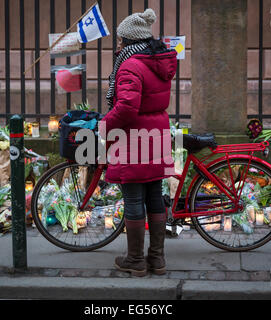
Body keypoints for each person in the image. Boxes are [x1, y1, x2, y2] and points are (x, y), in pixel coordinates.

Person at [98, 8, 177, 277]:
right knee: (154, 194)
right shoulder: (156, 59)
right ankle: (157, 260)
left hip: (135, 137)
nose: (118, 45)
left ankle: (135, 260)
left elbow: (127, 108)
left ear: (129, 41)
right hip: (156, 133)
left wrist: (104, 127)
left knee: (133, 196)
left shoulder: (131, 64)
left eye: (120, 40)